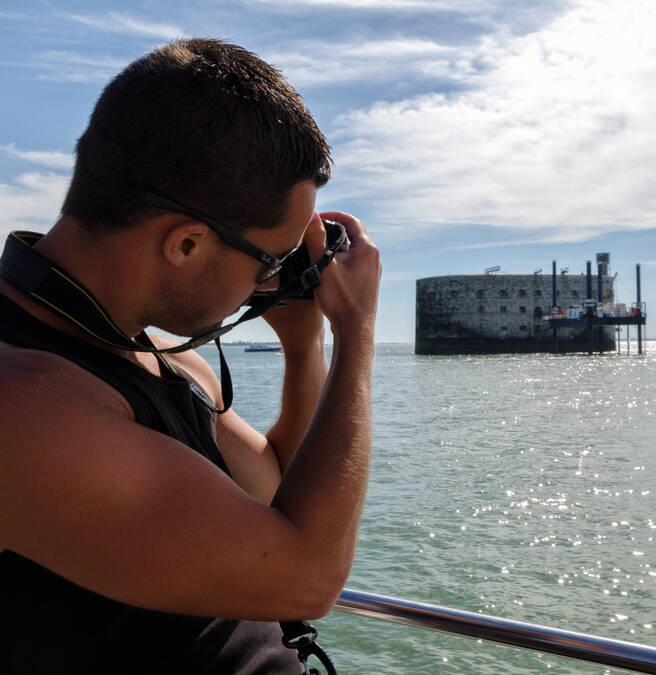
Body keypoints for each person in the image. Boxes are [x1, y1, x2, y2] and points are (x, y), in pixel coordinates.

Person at [0, 39, 380, 674]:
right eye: (271, 259)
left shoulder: (150, 353)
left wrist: (305, 341)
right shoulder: (25, 406)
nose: (273, 281)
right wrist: (358, 331)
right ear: (186, 244)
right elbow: (308, 578)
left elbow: (276, 491)